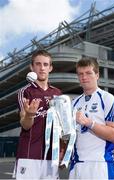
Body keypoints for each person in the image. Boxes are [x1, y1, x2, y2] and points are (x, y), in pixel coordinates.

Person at [13, 49, 64, 179]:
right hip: (29, 155)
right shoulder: (25, 92)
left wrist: (62, 149)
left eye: (46, 64)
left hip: (51, 156)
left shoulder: (58, 94)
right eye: (38, 64)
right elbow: (25, 125)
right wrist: (30, 115)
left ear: (50, 68)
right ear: (32, 67)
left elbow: (61, 127)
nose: (42, 68)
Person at [69, 56, 114, 180]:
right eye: (80, 74)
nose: (84, 77)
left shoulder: (108, 99)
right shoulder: (74, 103)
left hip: (100, 166)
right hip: (76, 166)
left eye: (88, 73)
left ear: (97, 75)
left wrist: (88, 122)